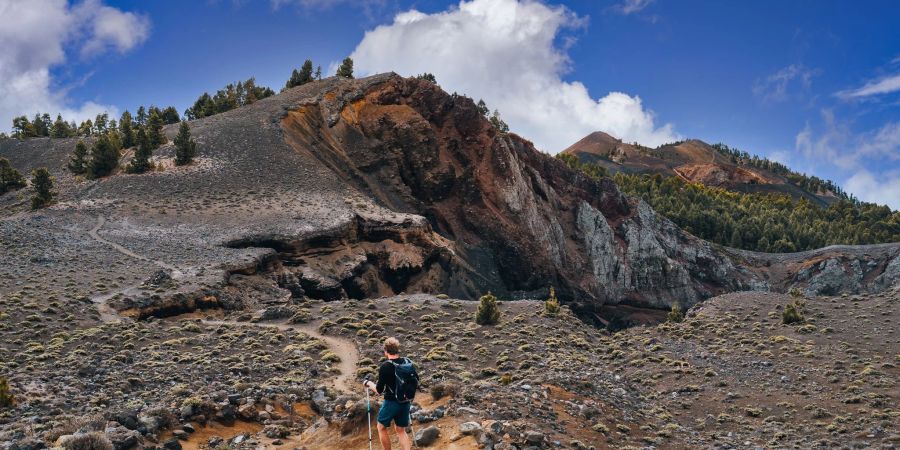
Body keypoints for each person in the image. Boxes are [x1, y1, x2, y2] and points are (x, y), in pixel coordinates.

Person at [363, 337, 415, 450]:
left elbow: (379, 390)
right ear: (397, 350)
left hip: (391, 402)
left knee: (381, 427)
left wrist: (369, 383)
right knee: (401, 430)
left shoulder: (386, 366)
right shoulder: (407, 362)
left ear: (386, 351)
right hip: (405, 401)